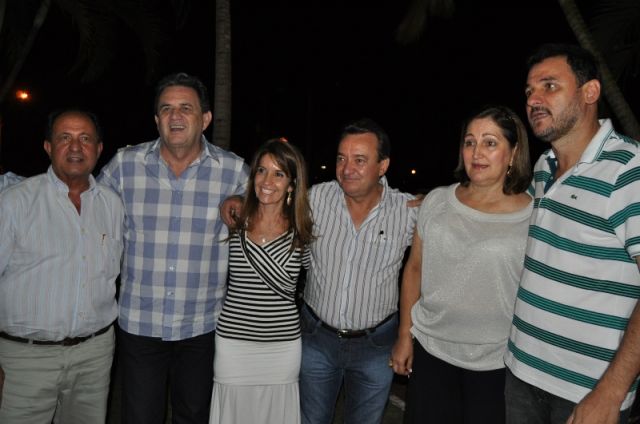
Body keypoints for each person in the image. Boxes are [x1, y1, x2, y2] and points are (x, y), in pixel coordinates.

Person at [97, 72, 249, 424]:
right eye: (166, 109)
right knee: (140, 417)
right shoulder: (125, 165)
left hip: (202, 325)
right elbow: (88, 205)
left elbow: (268, 216)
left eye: (185, 108)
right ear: (156, 120)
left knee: (194, 416)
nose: (175, 116)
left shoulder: (233, 171)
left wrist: (243, 202)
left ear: (205, 119)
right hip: (141, 323)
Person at [504, 43, 640, 424]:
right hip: (521, 371)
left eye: (549, 86)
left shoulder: (629, 170)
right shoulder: (543, 168)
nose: (533, 100)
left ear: (590, 92)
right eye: (529, 91)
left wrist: (611, 392)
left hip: (586, 391)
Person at [391, 105, 532, 423]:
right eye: (470, 142)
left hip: (496, 364)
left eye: (490, 142)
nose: (477, 152)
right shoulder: (437, 201)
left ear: (513, 153)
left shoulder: (533, 215)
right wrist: (404, 335)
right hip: (431, 352)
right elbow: (414, 269)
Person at [0, 109, 123, 423]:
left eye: (85, 138)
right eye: (64, 138)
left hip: (94, 356)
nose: (76, 147)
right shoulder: (14, 203)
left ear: (99, 148)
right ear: (48, 147)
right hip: (25, 359)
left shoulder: (112, 205)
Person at [299, 118, 416, 424]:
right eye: (341, 158)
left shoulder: (406, 212)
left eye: (360, 160)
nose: (347, 169)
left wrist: (406, 336)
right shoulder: (315, 199)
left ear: (382, 166)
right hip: (317, 338)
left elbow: (450, 211)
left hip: (376, 345)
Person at [210, 138, 313, 424]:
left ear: (291, 184)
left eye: (279, 174)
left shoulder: (302, 230)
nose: (267, 181)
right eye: (261, 171)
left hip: (282, 346)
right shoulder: (235, 219)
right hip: (233, 344)